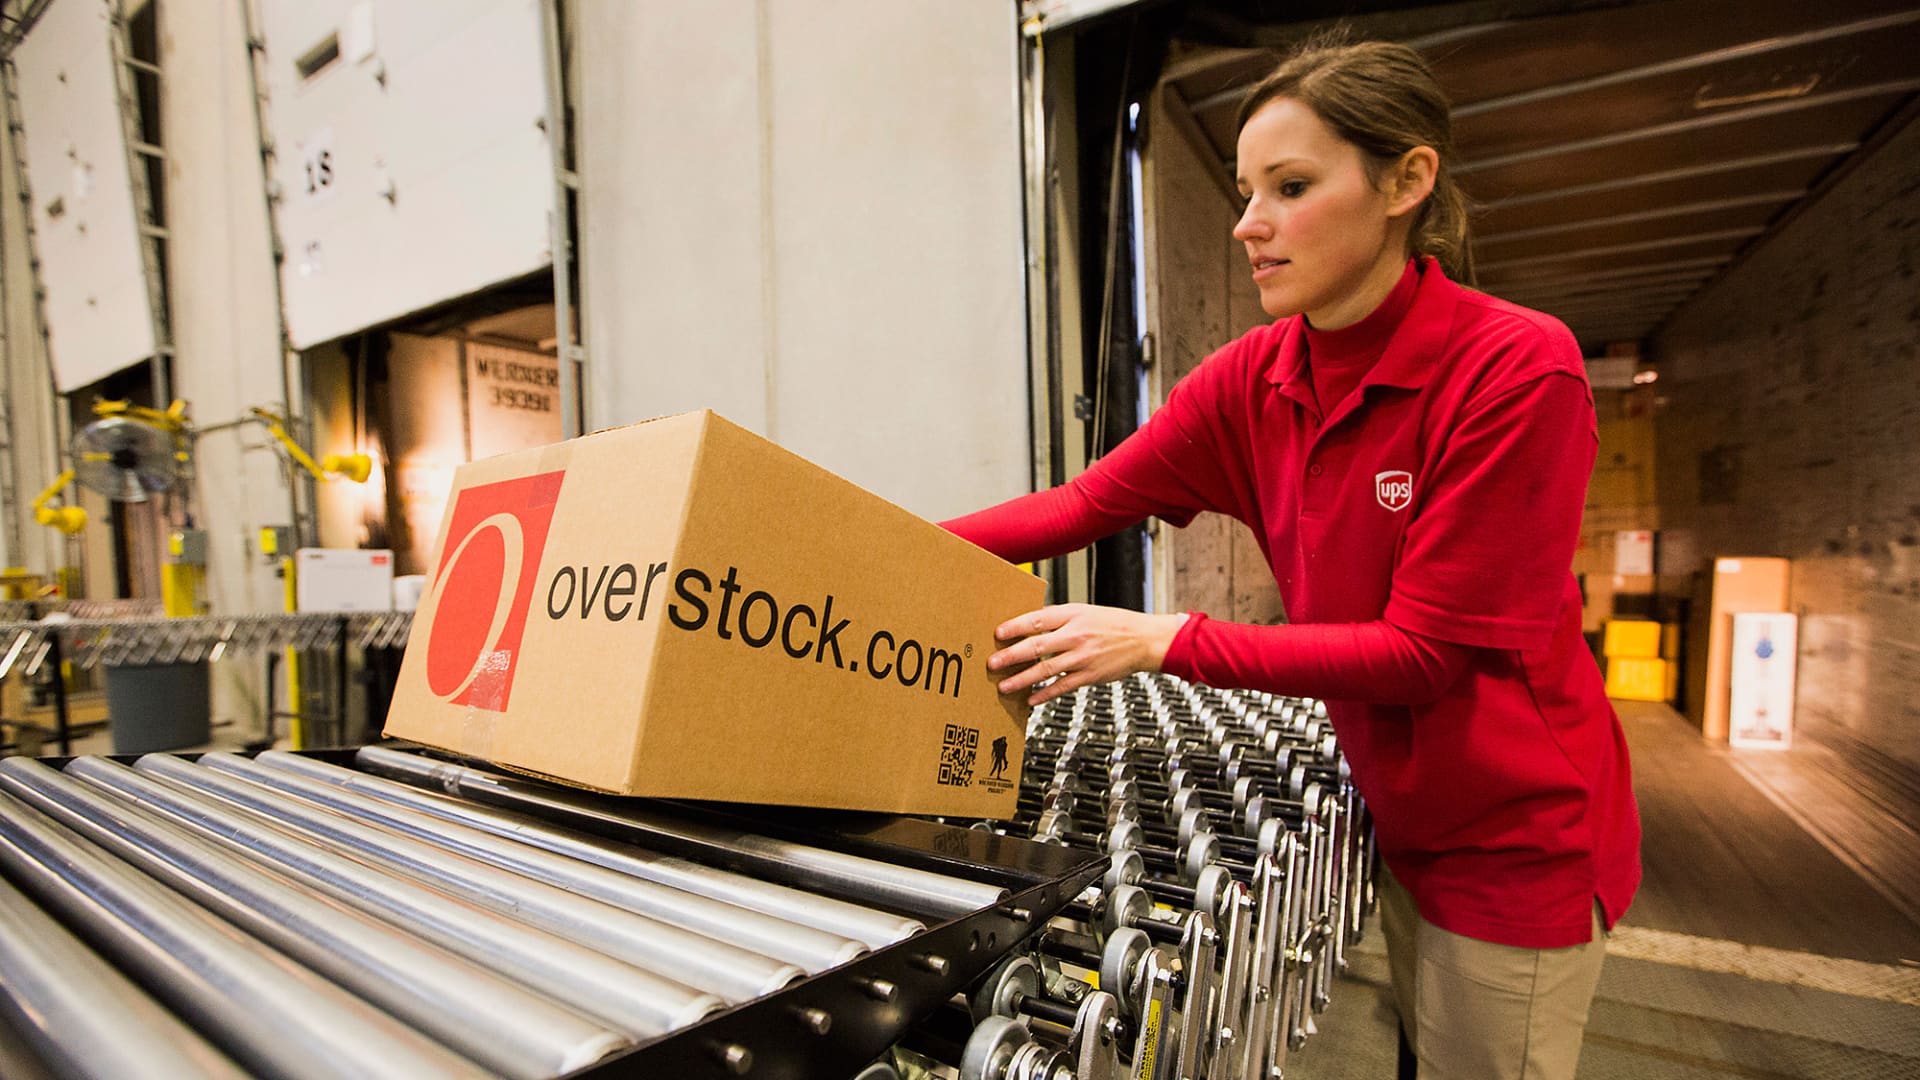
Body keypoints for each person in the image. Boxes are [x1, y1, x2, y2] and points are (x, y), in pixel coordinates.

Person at [940, 34, 1640, 1080]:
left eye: (1292, 187)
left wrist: (1164, 639)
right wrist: (858, 549)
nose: (1248, 224)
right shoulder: (1255, 378)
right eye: (1245, 192)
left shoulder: (1513, 371)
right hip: (1395, 811)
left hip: (1511, 837)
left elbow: (1423, 655)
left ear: (1406, 181)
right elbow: (1082, 505)